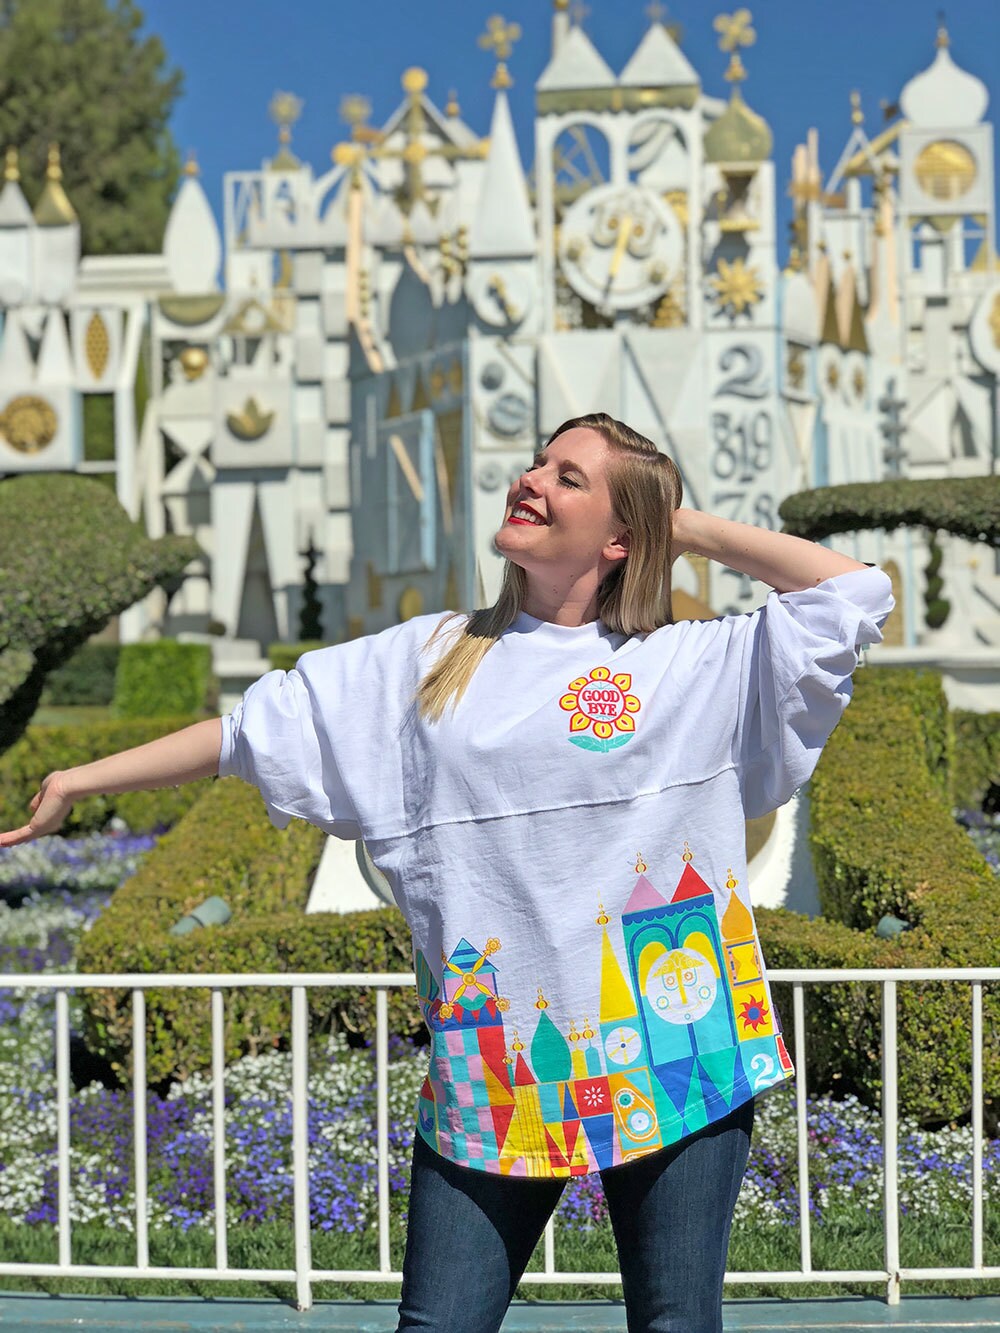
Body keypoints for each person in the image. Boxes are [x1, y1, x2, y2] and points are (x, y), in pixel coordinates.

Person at [1, 413, 894, 1333]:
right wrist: (77, 778)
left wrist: (682, 521)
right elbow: (246, 733)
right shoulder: (427, 662)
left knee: (675, 1325)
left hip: (677, 1055)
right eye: (538, 461)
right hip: (492, 1070)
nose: (534, 478)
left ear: (623, 537)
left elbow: (854, 593)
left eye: (571, 477)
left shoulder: (689, 664)